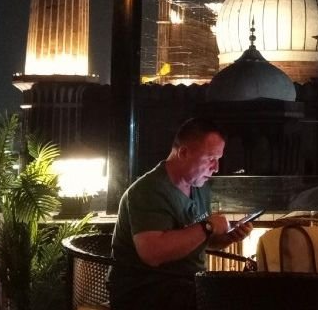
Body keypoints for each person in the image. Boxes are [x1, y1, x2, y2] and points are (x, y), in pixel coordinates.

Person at [108, 118, 252, 310]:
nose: (216, 168)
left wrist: (226, 238)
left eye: (218, 159)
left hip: (188, 286)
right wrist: (207, 226)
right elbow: (153, 253)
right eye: (211, 159)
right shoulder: (148, 191)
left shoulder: (199, 187)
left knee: (255, 291)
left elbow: (194, 240)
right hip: (146, 290)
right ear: (183, 152)